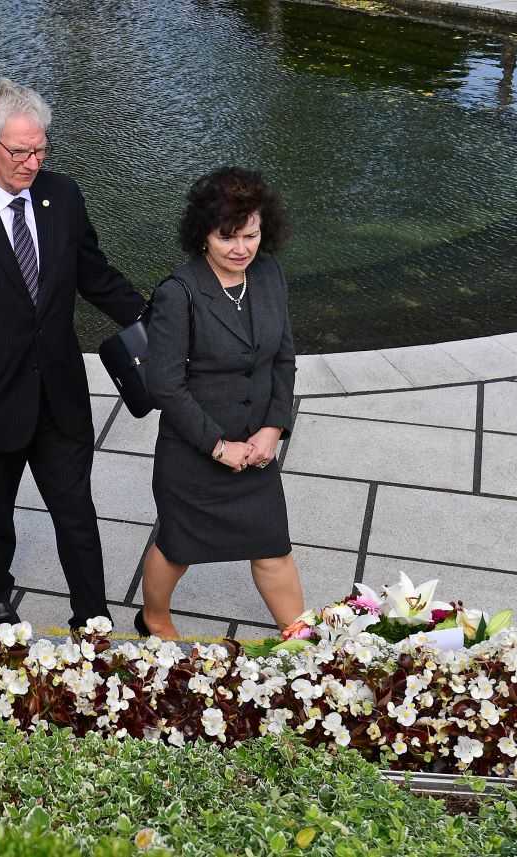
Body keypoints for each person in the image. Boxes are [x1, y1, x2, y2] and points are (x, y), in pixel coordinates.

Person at [0, 77, 145, 630]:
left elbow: (94, 274)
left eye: (41, 148)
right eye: (20, 151)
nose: (32, 162)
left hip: (60, 394)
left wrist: (153, 320)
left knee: (77, 513)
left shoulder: (62, 196)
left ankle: (91, 615)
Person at [138, 166, 305, 640]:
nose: (241, 249)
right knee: (177, 547)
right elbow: (165, 386)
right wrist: (218, 447)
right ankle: (153, 619)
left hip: (256, 449)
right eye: (227, 237)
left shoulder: (269, 274)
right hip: (195, 449)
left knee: (273, 548)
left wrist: (273, 427)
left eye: (250, 235)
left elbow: (283, 358)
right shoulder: (179, 293)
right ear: (202, 235)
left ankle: (302, 641)